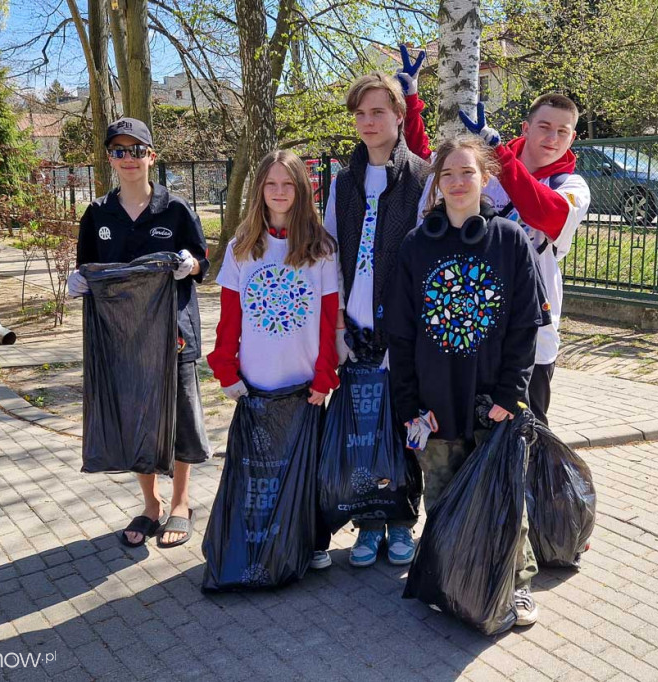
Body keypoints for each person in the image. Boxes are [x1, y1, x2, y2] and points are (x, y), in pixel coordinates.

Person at [386, 136, 551, 626]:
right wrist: (408, 403)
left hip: (492, 403)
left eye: (468, 173)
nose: (458, 183)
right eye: (448, 174)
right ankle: (450, 579)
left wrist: (510, 395)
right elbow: (401, 332)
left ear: (486, 179)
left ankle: (515, 584)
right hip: (434, 405)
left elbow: (525, 328)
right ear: (436, 184)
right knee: (443, 496)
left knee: (503, 497)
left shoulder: (509, 240)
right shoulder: (417, 246)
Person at [396, 46, 590, 425]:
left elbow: (545, 212)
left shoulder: (572, 186)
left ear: (572, 137)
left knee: (522, 446)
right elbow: (434, 169)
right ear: (526, 128)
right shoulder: (488, 169)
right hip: (473, 334)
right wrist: (412, 102)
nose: (552, 137)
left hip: (526, 341)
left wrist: (502, 156)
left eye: (562, 131)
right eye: (544, 127)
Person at [68, 117, 210, 549]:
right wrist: (78, 282)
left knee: (181, 420)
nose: (128, 159)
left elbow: (204, 262)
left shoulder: (176, 210)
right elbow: (88, 268)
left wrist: (192, 264)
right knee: (138, 423)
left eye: (136, 150)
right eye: (118, 150)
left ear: (152, 155)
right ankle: (151, 503)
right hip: (123, 341)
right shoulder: (97, 214)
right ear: (109, 157)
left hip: (175, 336)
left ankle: (182, 502)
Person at [206, 150, 340, 570]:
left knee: (308, 469)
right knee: (259, 470)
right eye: (271, 184)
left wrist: (325, 374)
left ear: (302, 190)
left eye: (289, 184)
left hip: (304, 386)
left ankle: (311, 542)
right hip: (256, 383)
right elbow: (229, 319)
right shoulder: (241, 248)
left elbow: (328, 319)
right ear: (259, 190)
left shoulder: (321, 248)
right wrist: (225, 368)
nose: (280, 192)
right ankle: (255, 543)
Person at [323, 72, 431, 568]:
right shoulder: (344, 182)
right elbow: (329, 254)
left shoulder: (424, 178)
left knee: (402, 429)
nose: (368, 122)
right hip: (355, 331)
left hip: (402, 334)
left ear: (399, 117)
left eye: (378, 112)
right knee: (363, 430)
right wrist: (338, 328)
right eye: (361, 113)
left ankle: (402, 521)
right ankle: (367, 523)